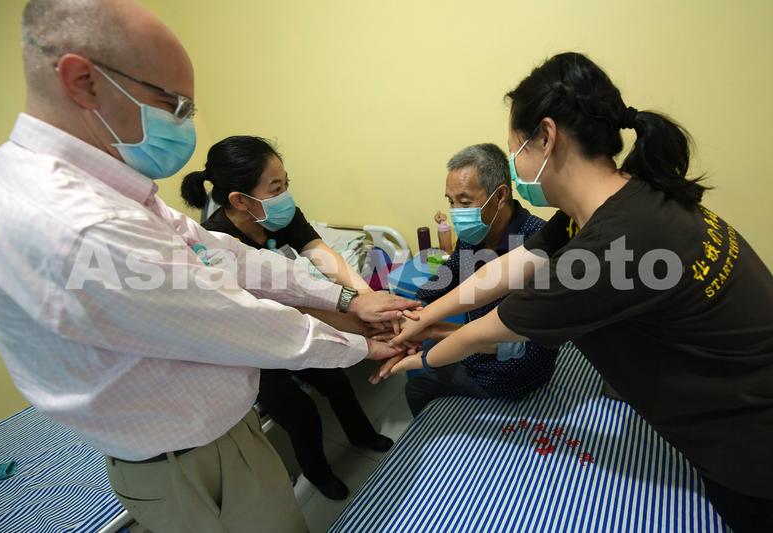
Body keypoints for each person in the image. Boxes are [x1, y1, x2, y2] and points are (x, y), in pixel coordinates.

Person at [0, 1, 419, 532]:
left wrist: (349, 297)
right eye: (174, 104)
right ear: (84, 81)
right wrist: (360, 342)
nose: (184, 123)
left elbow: (232, 258)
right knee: (299, 412)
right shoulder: (78, 223)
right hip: (188, 458)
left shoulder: (112, 195)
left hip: (215, 434)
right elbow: (240, 319)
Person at [379, 52, 773, 533]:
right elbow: (511, 267)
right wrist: (422, 316)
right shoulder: (621, 200)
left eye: (515, 150)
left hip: (750, 444)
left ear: (546, 137)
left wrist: (414, 359)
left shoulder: (608, 244)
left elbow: (484, 332)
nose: (515, 168)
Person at [181, 135, 393, 500]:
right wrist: (353, 318)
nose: (286, 196)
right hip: (253, 339)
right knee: (300, 412)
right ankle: (318, 473)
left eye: (286, 184)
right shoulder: (216, 243)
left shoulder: (279, 215)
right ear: (240, 200)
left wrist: (364, 296)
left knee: (336, 379)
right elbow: (273, 308)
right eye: (275, 188)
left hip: (294, 314)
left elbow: (318, 251)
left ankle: (362, 435)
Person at [403, 143, 558, 416]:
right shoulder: (473, 238)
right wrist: (408, 312)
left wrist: (434, 331)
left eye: (464, 203)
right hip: (478, 352)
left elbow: (526, 348)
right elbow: (443, 280)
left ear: (500, 196)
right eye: (451, 202)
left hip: (510, 372)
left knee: (416, 387)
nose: (455, 212)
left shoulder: (537, 243)